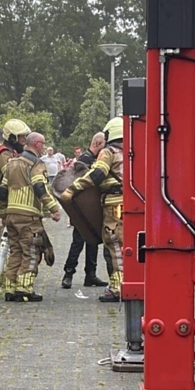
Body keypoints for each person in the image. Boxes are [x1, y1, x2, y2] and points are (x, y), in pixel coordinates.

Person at [62, 117, 124, 303]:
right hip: (134, 204)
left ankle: (119, 288)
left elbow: (97, 174)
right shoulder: (133, 153)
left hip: (114, 205)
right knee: (129, 246)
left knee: (114, 245)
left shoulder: (109, 152)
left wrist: (72, 189)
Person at [0, 132, 61, 301]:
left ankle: (10, 289)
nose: (43, 147)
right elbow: (40, 187)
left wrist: (3, 213)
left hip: (12, 215)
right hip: (28, 216)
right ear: (36, 144)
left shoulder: (11, 163)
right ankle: (24, 289)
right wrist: (54, 208)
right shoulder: (36, 164)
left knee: (16, 251)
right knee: (31, 252)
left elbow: (2, 191)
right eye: (43, 143)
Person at [61, 132, 111, 290]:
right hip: (82, 211)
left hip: (94, 210)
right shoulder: (84, 160)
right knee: (78, 242)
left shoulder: (97, 159)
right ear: (97, 144)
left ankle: (91, 275)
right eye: (104, 144)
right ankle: (68, 273)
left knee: (94, 242)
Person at [0, 119, 31, 223]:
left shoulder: (16, 152)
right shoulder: (4, 153)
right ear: (12, 137)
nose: (24, 139)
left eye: (25, 136)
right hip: (7, 197)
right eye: (21, 136)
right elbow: (11, 174)